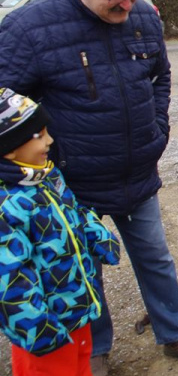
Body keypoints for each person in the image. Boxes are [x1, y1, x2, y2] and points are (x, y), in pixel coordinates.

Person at [0, 0, 178, 374]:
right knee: (84, 264)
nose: (127, 5)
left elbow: (161, 77)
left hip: (137, 171)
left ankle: (176, 333)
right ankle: (96, 347)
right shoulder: (29, 29)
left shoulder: (142, 17)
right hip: (72, 182)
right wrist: (15, 167)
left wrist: (157, 130)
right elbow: (4, 104)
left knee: (154, 256)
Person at [0, 89, 121, 376]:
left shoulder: (46, 175)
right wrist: (37, 330)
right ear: (10, 148)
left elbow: (74, 211)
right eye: (39, 135)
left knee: (81, 368)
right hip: (46, 331)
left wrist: (97, 235)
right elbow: (8, 279)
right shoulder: (8, 207)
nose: (50, 141)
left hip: (76, 312)